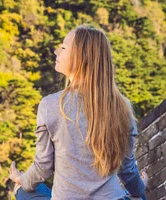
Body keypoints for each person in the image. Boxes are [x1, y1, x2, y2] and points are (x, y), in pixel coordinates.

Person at [8, 24, 148, 200]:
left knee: (24, 191)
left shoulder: (50, 105)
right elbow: (127, 170)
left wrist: (20, 178)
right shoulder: (123, 107)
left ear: (80, 57)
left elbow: (43, 168)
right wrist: (140, 190)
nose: (56, 52)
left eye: (64, 47)